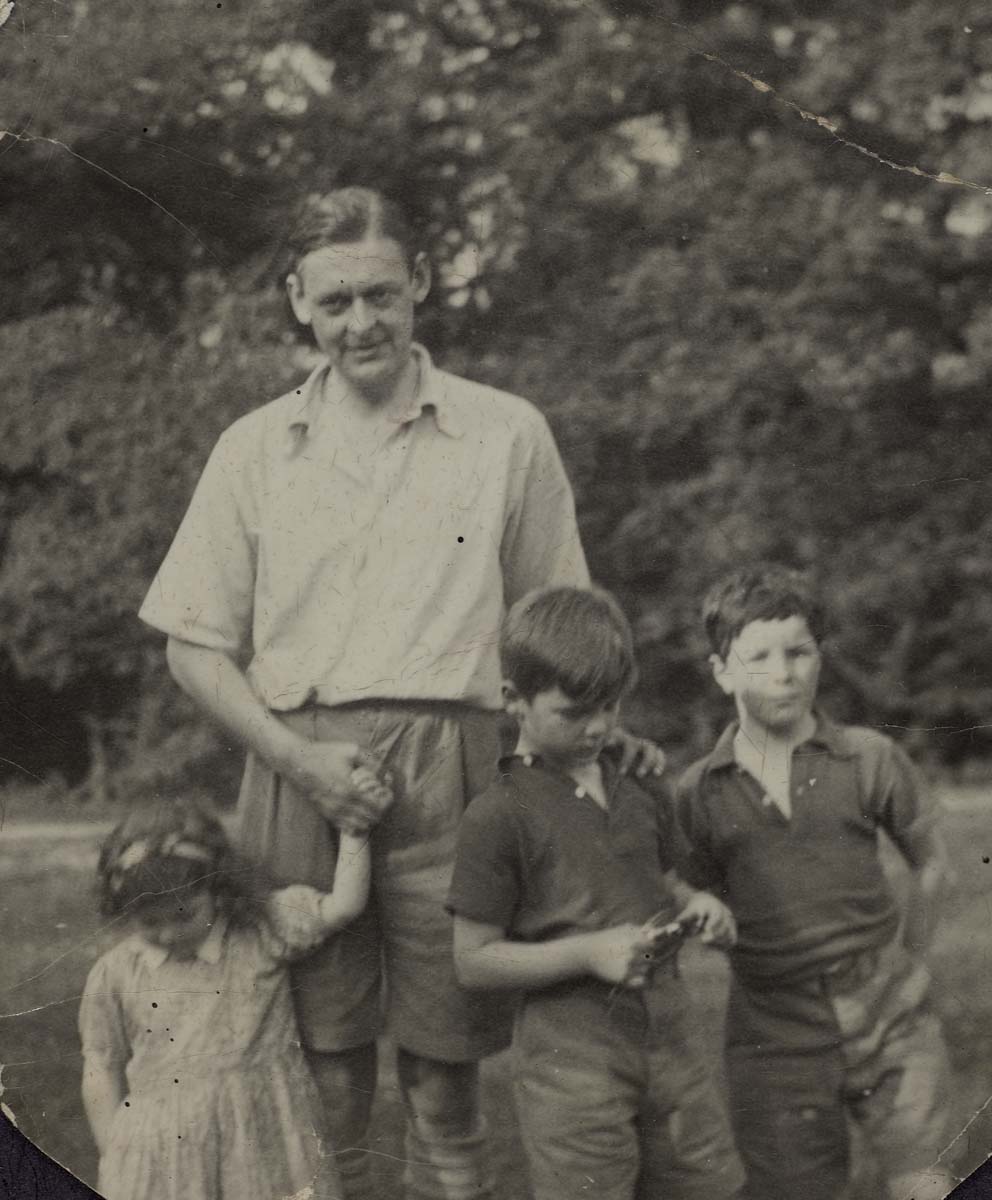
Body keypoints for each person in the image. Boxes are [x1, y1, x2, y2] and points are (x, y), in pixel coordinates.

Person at [139, 185, 658, 1199]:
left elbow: (565, 631)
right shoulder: (254, 448)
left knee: (443, 1083)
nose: (360, 323)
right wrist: (300, 762)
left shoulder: (506, 433)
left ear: (419, 283)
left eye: (380, 295)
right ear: (296, 301)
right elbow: (192, 649)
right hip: (299, 772)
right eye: (333, 303)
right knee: (322, 1075)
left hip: (455, 771)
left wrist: (598, 737)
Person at [448, 586, 745, 1200]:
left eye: (611, 705)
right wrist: (586, 953)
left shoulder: (638, 780)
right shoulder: (498, 815)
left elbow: (663, 878)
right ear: (515, 702)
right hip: (572, 1062)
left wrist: (699, 906)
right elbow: (472, 959)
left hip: (673, 1045)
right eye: (574, 712)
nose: (600, 727)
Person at [676, 563, 957, 1200]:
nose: (784, 672)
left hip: (890, 1011)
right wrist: (701, 911)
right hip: (774, 1031)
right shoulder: (700, 791)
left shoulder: (867, 758)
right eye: (760, 657)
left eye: (800, 652)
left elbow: (933, 863)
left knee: (923, 1181)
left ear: (820, 659)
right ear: (721, 671)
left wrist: (910, 960)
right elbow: (686, 889)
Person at [78, 784, 390, 1200]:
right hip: (165, 1152)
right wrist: (111, 1152)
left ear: (219, 893)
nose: (168, 933)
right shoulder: (117, 973)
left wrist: (355, 829)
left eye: (184, 915)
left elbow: (343, 907)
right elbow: (101, 1064)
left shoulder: (258, 935)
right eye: (149, 922)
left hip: (264, 1135)